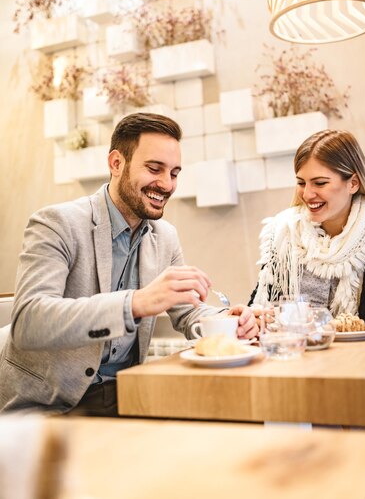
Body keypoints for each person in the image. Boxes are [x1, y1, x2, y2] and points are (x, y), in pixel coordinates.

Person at [0, 112, 258, 415]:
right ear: (116, 163)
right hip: (48, 407)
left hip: (128, 393)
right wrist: (134, 303)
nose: (166, 184)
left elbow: (188, 312)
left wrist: (228, 320)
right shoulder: (57, 223)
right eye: (154, 169)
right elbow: (30, 322)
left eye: (174, 173)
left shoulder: (165, 237)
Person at [249, 129, 365, 347]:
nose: (308, 194)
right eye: (301, 183)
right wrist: (248, 317)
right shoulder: (283, 230)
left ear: (353, 183)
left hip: (357, 359)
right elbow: (264, 302)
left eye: (319, 183)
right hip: (292, 358)